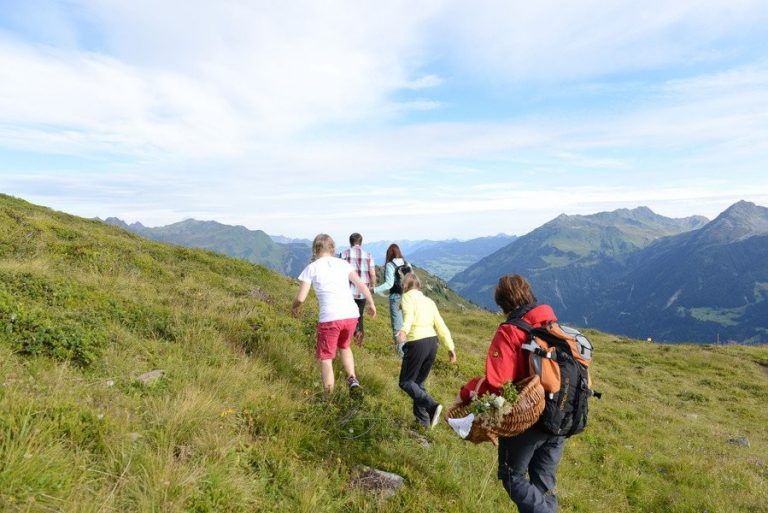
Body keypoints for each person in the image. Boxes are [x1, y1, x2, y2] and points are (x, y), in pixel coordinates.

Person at [459, 274, 564, 513]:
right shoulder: (550, 322)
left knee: (511, 475)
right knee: (544, 479)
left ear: (502, 304)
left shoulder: (510, 331)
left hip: (530, 418)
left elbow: (498, 385)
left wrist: (467, 391)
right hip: (560, 413)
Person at [292, 234, 376, 394]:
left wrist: (294, 307)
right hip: (351, 315)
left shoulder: (311, 268)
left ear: (315, 249)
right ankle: (352, 379)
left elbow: (301, 298)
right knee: (345, 346)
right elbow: (362, 285)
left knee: (326, 357)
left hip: (330, 318)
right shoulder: (343, 264)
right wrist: (371, 303)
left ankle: (328, 396)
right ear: (332, 249)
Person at [395, 273, 457, 428]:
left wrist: (403, 331)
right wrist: (450, 347)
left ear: (405, 286)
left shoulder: (407, 297)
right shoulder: (429, 301)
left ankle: (432, 406)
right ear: (419, 286)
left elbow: (409, 316)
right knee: (418, 383)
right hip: (432, 343)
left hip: (417, 342)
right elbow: (441, 324)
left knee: (406, 382)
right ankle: (424, 423)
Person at [339, 232, 376, 346]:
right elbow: (373, 274)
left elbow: (340, 272)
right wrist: (372, 287)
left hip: (347, 291)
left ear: (350, 242)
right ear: (361, 242)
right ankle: (358, 343)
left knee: (346, 316)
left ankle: (346, 342)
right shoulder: (368, 255)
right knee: (359, 317)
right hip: (362, 292)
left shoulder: (344, 254)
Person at [373, 244, 410, 343]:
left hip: (396, 297)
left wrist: (374, 290)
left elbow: (389, 284)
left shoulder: (390, 265)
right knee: (407, 325)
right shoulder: (407, 264)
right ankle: (411, 353)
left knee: (398, 327)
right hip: (408, 297)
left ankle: (401, 354)